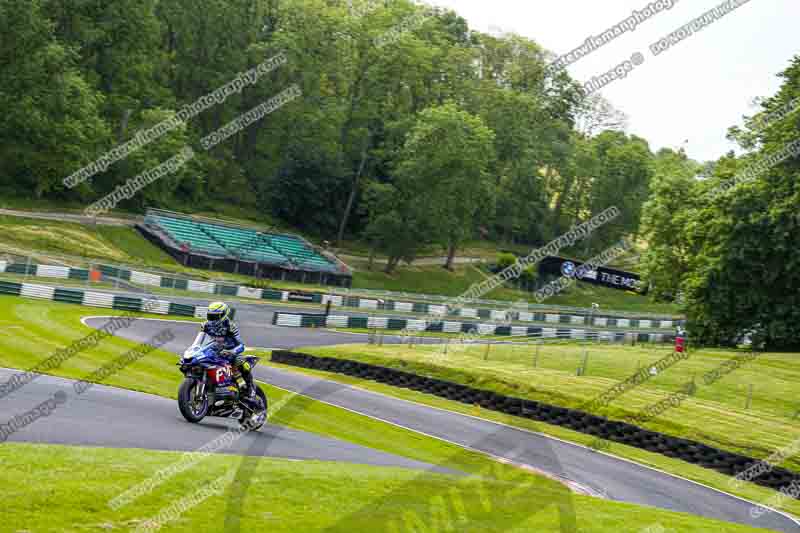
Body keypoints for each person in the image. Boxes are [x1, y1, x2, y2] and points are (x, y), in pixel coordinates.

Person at [195, 302, 259, 411]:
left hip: (229, 353)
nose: (212, 319)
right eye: (210, 316)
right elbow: (200, 340)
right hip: (213, 352)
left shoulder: (230, 326)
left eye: (215, 316)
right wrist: (196, 348)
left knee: (243, 364)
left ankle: (251, 392)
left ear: (223, 315)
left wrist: (232, 351)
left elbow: (241, 345)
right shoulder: (205, 325)